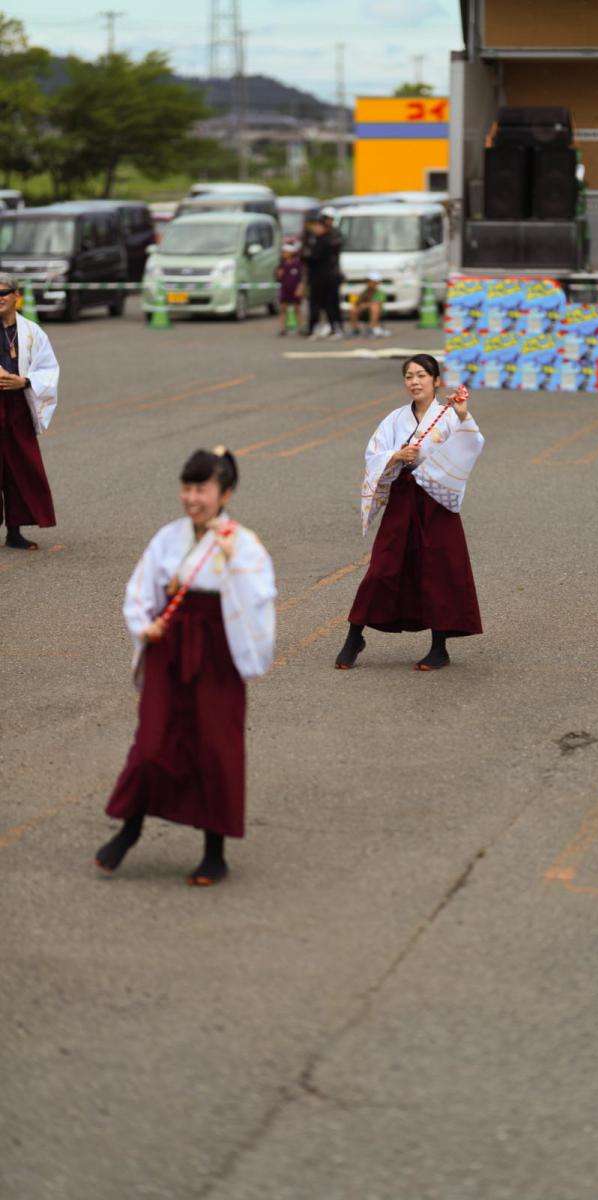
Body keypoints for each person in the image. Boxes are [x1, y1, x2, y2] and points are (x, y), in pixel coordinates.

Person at [96, 447, 277, 886]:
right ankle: (130, 828)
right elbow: (140, 587)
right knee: (154, 741)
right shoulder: (168, 538)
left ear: (225, 493)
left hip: (219, 651)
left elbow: (259, 598)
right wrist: (145, 624)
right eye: (187, 488)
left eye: (203, 489)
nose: (192, 498)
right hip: (171, 648)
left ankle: (214, 851)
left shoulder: (244, 543)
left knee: (215, 746)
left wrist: (233, 562)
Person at [335, 354, 484, 672]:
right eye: (409, 376)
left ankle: (439, 647)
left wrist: (463, 415)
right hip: (405, 497)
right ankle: (354, 636)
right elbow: (373, 453)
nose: (414, 382)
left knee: (438, 569)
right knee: (382, 567)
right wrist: (396, 455)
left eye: (421, 375)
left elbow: (473, 444)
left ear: (436, 381)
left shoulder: (449, 415)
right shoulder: (395, 419)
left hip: (436, 500)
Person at [0, 272, 58, 550]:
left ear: (16, 297)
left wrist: (24, 381)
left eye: (2, 293)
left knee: (20, 467)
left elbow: (49, 368)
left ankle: (15, 531)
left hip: (17, 406)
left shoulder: (32, 332)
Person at [303, 211, 343, 338]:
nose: (314, 228)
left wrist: (306, 256)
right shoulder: (313, 239)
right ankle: (315, 328)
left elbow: (314, 257)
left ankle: (334, 328)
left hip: (326, 277)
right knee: (317, 304)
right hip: (318, 277)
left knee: (327, 304)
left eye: (317, 226)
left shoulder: (327, 240)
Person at [348, 271, 390, 338]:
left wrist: (365, 305)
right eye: (368, 281)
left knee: (374, 307)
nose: (369, 283)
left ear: (377, 283)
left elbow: (377, 303)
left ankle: (371, 328)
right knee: (353, 308)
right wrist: (357, 303)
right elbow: (356, 302)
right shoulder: (364, 292)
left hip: (378, 313)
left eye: (372, 281)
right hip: (364, 312)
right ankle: (355, 329)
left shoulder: (380, 293)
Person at [276, 239, 304, 335]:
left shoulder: (298, 264)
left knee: (297, 308)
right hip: (285, 289)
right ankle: (282, 329)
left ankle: (301, 328)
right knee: (283, 308)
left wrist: (300, 288)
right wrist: (278, 275)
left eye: (285, 252)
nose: (283, 254)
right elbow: (278, 277)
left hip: (295, 289)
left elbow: (301, 278)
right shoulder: (281, 265)